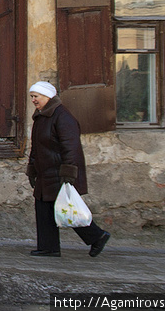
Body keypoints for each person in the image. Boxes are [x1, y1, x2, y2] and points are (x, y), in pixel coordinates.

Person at [26, 81, 110, 257]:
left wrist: (68, 172)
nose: (33, 100)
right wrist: (32, 168)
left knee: (68, 208)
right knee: (44, 208)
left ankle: (97, 236)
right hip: (46, 173)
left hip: (58, 173)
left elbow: (71, 146)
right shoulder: (42, 116)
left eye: (36, 96)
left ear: (48, 96)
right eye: (32, 97)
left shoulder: (62, 117)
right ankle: (48, 247)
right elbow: (37, 146)